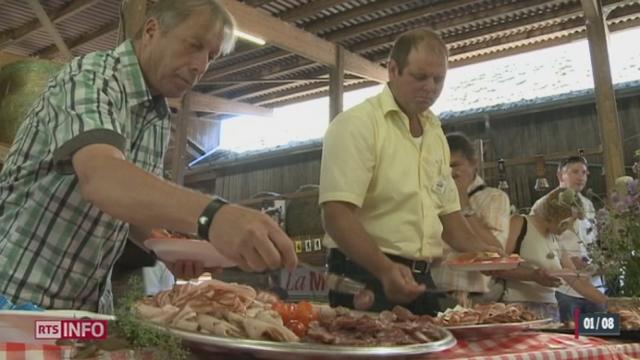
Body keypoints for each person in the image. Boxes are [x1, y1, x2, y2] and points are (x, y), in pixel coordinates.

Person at [0, 0, 297, 313]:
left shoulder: (157, 117)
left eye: (210, 56)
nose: (200, 66)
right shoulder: (90, 77)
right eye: (194, 45)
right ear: (152, 30)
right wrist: (214, 217)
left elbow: (130, 209)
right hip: (14, 295)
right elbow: (102, 178)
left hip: (84, 309)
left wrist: (167, 247)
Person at [319, 29, 499, 316]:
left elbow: (451, 221)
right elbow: (336, 216)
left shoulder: (435, 133)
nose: (430, 87)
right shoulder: (356, 125)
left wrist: (500, 259)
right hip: (362, 275)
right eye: (419, 77)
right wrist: (384, 268)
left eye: (438, 79)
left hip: (421, 278)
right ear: (392, 69)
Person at [493, 187, 607, 321]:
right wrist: (532, 275)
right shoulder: (520, 223)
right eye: (568, 221)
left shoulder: (556, 238)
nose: (570, 226)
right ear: (557, 213)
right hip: (519, 309)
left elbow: (576, 279)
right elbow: (497, 267)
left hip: (551, 311)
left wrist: (609, 302)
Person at [430, 132, 510, 307]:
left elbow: (495, 250)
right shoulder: (432, 197)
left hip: (478, 297)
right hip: (436, 293)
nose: (449, 172)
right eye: (444, 166)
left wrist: (461, 200)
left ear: (474, 163)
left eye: (455, 165)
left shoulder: (495, 198)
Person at [531, 156, 605, 323]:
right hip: (564, 289)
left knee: (602, 334)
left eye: (585, 173)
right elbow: (537, 244)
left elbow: (593, 240)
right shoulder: (543, 205)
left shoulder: (588, 205)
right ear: (560, 175)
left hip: (592, 284)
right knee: (572, 335)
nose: (581, 177)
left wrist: (596, 262)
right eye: (575, 172)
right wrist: (565, 261)